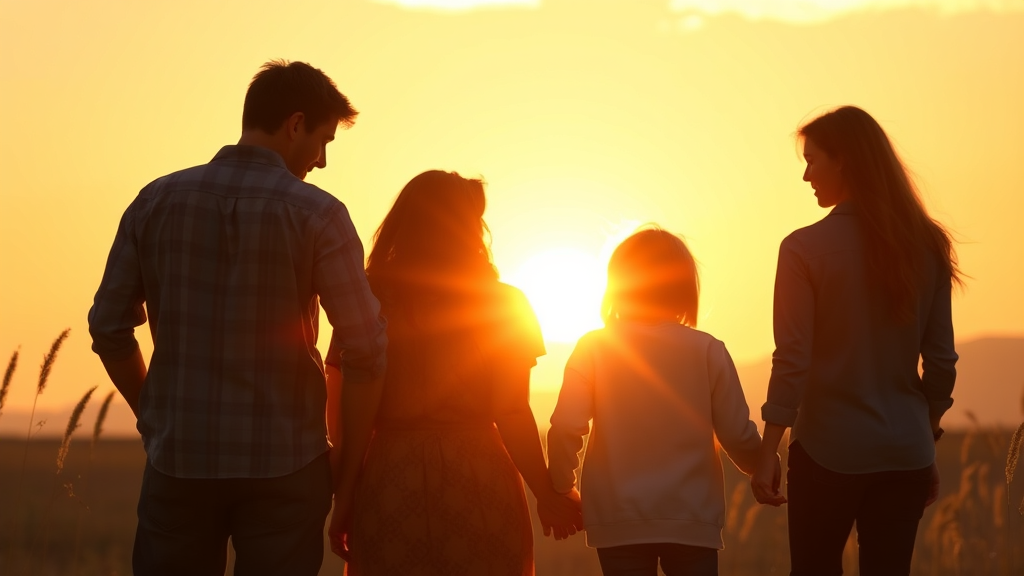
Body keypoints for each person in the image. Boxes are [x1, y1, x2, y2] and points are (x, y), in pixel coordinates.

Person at [88, 60, 388, 576]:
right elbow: (366, 347)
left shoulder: (155, 201)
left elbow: (108, 327)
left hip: (178, 463)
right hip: (288, 469)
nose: (321, 162)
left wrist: (155, 417)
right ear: (295, 124)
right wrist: (348, 471)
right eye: (323, 142)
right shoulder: (319, 215)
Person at [331, 170, 582, 575]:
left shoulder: (369, 298)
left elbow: (343, 403)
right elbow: (512, 410)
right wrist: (547, 495)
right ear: (469, 227)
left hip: (390, 477)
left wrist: (344, 495)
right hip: (478, 474)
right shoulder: (504, 303)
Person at [751, 106, 961, 575]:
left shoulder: (802, 249)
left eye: (812, 160)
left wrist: (768, 452)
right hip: (905, 452)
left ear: (843, 159)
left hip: (826, 451)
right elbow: (942, 362)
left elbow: (792, 361)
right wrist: (924, 434)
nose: (806, 175)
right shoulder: (928, 245)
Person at [546, 228, 765, 576]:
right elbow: (737, 434)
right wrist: (762, 467)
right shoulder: (707, 350)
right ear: (684, 288)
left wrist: (562, 487)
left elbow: (564, 426)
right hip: (692, 519)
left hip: (618, 520)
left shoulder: (594, 348)